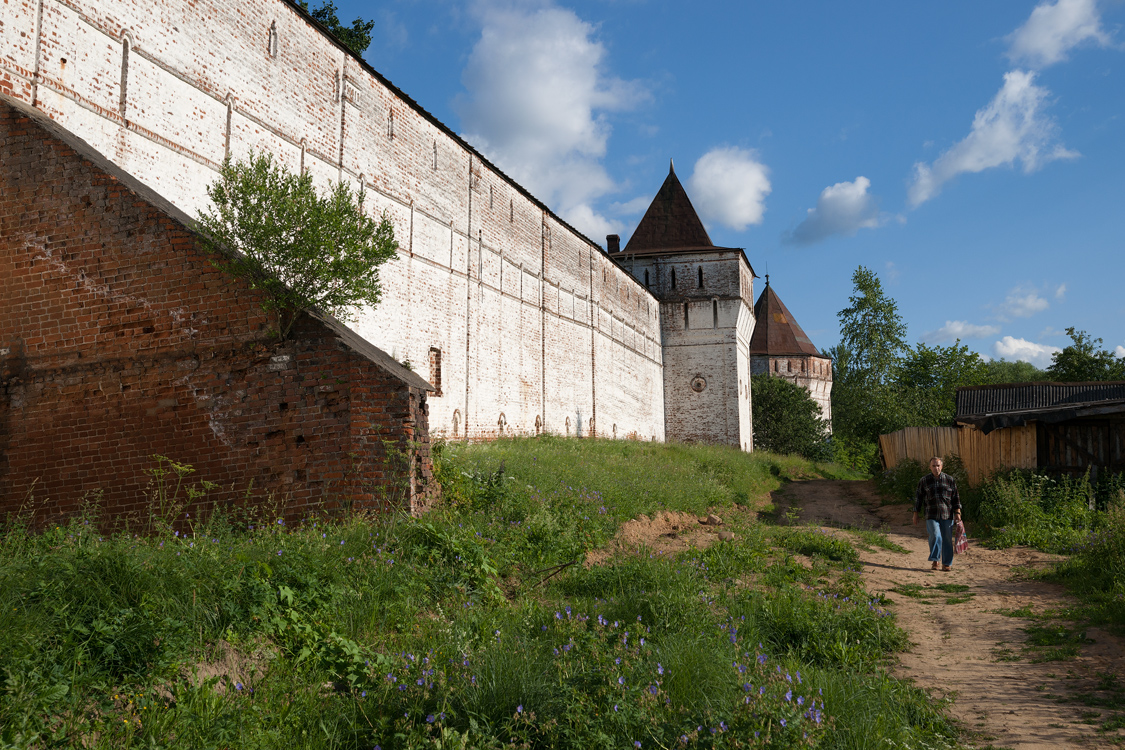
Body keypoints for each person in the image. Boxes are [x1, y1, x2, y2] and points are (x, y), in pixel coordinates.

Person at [912, 457, 961, 571]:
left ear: (942, 467)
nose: (936, 468)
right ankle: (935, 560)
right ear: (930, 467)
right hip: (931, 514)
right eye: (933, 466)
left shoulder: (949, 480)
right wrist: (915, 513)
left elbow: (956, 497)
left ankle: (947, 563)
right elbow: (918, 498)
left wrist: (957, 512)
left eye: (938, 465)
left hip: (947, 514)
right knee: (935, 535)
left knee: (947, 539)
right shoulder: (924, 480)